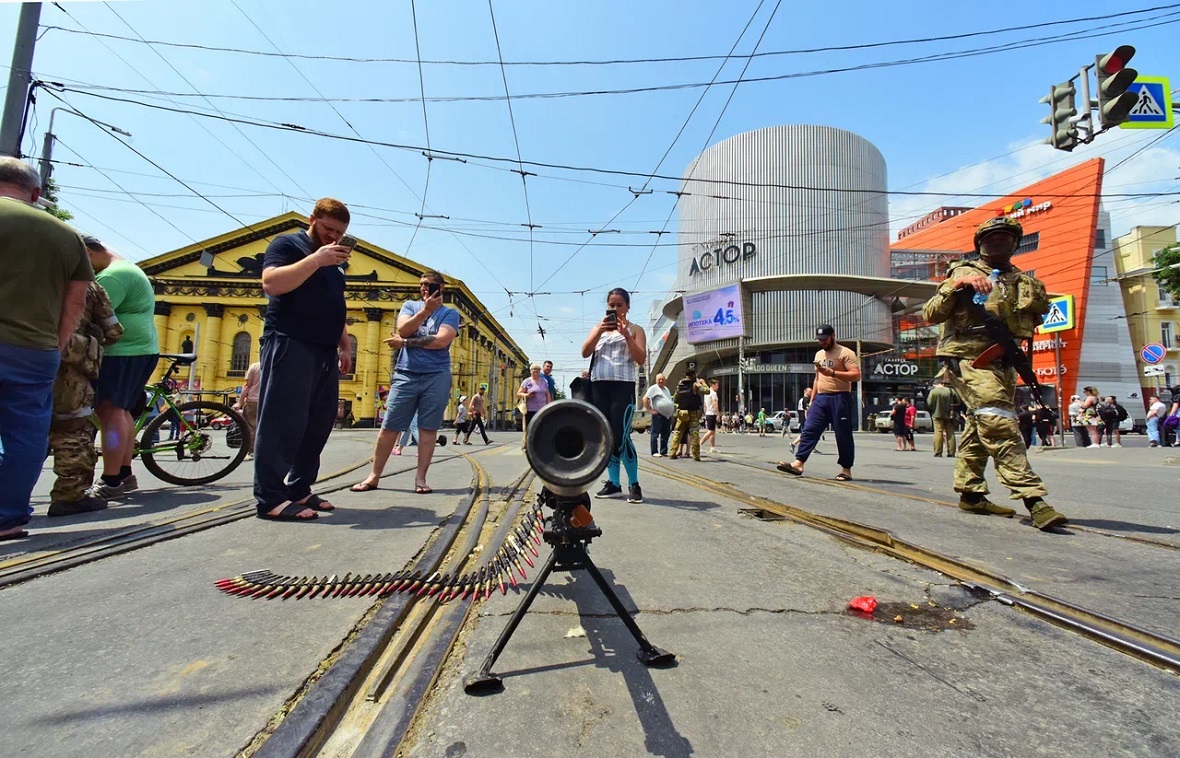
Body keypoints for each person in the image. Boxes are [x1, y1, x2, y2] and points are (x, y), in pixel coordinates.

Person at [921, 215, 1067, 530]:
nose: (998, 243)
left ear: (1015, 243)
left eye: (1005, 238)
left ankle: (971, 494)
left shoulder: (1025, 281)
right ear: (980, 245)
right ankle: (1033, 499)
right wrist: (957, 285)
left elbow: (1033, 321)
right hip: (968, 358)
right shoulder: (964, 271)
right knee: (996, 417)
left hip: (1005, 360)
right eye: (991, 239)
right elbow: (930, 313)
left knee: (979, 422)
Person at [0, 158, 95, 541]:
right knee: (25, 434)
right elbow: (76, 303)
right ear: (37, 193)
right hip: (35, 348)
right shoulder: (65, 234)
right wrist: (53, 343)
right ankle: (7, 518)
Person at [253, 198, 354, 521]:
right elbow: (271, 283)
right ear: (312, 219)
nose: (333, 237)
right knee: (283, 420)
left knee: (318, 423)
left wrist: (345, 345)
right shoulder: (289, 245)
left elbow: (334, 304)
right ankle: (270, 497)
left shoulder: (335, 262)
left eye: (339, 233)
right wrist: (316, 260)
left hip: (324, 350)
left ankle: (299, 488)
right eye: (328, 229)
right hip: (290, 341)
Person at [353, 271, 459, 495]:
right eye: (421, 284)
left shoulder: (450, 314)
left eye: (429, 285)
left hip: (436, 376)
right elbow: (403, 329)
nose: (423, 288)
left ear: (441, 288)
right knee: (389, 426)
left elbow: (440, 341)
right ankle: (373, 476)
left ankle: (421, 479)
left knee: (428, 428)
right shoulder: (410, 306)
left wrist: (405, 343)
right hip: (406, 374)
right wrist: (425, 311)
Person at [84, 236, 160, 500]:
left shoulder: (111, 278)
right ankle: (123, 474)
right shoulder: (126, 269)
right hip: (139, 349)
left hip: (122, 351)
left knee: (110, 410)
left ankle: (111, 479)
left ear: (88, 252)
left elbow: (87, 315)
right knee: (121, 411)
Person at [48, 281, 123, 516]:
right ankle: (69, 495)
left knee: (16, 427)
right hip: (67, 366)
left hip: (15, 353)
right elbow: (113, 330)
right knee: (70, 429)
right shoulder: (86, 284)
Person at [582, 287, 647, 503]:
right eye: (612, 304)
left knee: (622, 436)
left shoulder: (636, 329)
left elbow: (640, 358)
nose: (615, 308)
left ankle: (634, 484)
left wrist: (626, 335)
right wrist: (600, 331)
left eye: (620, 305)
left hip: (622, 387)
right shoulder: (598, 328)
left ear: (627, 307)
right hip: (599, 387)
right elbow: (585, 352)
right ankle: (614, 484)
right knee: (606, 436)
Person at [776, 324, 860, 481]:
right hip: (821, 399)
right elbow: (817, 379)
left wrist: (833, 373)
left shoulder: (846, 353)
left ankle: (846, 469)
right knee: (809, 430)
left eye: (825, 339)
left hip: (840, 397)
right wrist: (812, 401)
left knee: (843, 435)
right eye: (820, 340)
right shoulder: (819, 354)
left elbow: (856, 375)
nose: (822, 342)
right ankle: (798, 463)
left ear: (833, 336)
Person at [668, 370, 710, 461]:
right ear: (693, 375)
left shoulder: (679, 385)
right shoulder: (695, 385)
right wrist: (703, 383)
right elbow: (707, 391)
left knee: (678, 432)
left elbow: (675, 398)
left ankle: (672, 453)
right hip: (692, 413)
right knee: (694, 433)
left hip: (681, 413)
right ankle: (696, 455)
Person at [518, 363, 552, 448]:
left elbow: (547, 394)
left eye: (537, 369)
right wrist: (527, 395)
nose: (535, 371)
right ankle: (527, 444)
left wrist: (550, 406)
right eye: (534, 369)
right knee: (529, 428)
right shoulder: (527, 381)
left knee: (541, 427)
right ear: (530, 371)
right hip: (530, 410)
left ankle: (539, 444)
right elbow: (519, 394)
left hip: (541, 409)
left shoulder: (544, 381)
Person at [232, 360, 261, 458]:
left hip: (253, 401)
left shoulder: (254, 366)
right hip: (269, 401)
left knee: (251, 427)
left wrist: (240, 402)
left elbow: (248, 386)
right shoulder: (274, 364)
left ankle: (251, 451)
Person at [642, 373, 673, 457]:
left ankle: (663, 451)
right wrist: (649, 410)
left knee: (665, 433)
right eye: (659, 379)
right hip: (658, 415)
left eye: (662, 379)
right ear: (656, 380)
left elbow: (669, 401)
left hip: (667, 416)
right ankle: (654, 451)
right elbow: (645, 399)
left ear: (665, 381)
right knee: (655, 433)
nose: (661, 381)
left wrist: (670, 414)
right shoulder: (653, 388)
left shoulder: (666, 389)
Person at [928, 379, 957, 457]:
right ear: (942, 384)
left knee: (938, 432)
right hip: (949, 415)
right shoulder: (951, 391)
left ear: (935, 385)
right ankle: (951, 452)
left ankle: (938, 452)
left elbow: (929, 404)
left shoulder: (933, 392)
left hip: (937, 414)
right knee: (950, 433)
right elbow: (958, 401)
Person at [701, 379, 721, 453]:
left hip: (708, 413)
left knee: (713, 431)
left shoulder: (706, 393)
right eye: (717, 385)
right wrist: (718, 414)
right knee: (710, 431)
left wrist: (705, 412)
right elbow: (715, 404)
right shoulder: (713, 394)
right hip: (712, 413)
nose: (718, 386)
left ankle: (712, 447)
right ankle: (700, 444)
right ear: (712, 385)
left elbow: (705, 405)